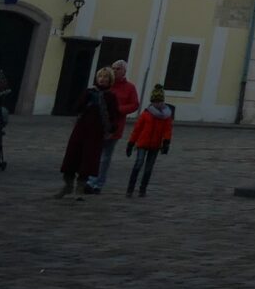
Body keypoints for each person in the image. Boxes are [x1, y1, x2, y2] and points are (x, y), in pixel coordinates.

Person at [56, 68, 113, 198]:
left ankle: (80, 188)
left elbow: (113, 114)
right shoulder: (89, 92)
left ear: (110, 80)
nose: (102, 79)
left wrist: (111, 129)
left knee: (87, 161)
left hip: (96, 133)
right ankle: (68, 185)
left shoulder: (110, 96)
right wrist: (85, 99)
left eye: (105, 77)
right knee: (72, 157)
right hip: (81, 129)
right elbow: (77, 107)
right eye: (100, 77)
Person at [88, 59, 137, 192]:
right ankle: (89, 180)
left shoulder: (130, 87)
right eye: (113, 68)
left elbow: (134, 104)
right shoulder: (106, 84)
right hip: (98, 124)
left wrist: (119, 109)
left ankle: (98, 183)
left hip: (115, 126)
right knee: (94, 153)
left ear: (124, 71)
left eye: (118, 69)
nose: (115, 71)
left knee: (105, 157)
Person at [126, 85, 175, 198]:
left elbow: (167, 130)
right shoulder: (146, 114)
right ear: (152, 102)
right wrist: (131, 143)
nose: (158, 104)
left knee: (148, 168)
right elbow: (137, 130)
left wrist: (166, 142)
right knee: (138, 164)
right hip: (143, 143)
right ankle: (130, 188)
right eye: (155, 101)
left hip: (155, 145)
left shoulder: (166, 116)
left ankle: (143, 189)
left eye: (160, 101)